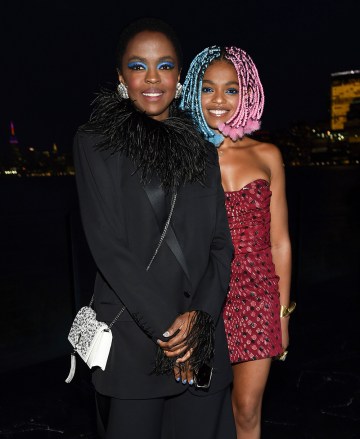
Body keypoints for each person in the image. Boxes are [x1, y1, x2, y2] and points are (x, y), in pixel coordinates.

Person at [73, 19, 237, 439]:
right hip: (134, 344)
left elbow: (220, 244)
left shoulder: (203, 149)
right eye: (137, 65)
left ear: (180, 78)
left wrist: (200, 319)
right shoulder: (95, 142)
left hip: (203, 341)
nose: (152, 78)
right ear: (121, 78)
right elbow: (108, 248)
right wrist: (172, 332)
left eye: (164, 66)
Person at [180, 46, 295, 439]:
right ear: (193, 91)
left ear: (247, 93)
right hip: (204, 295)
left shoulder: (267, 154)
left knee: (246, 409)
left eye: (231, 89)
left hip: (257, 295)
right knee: (203, 413)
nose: (219, 100)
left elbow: (279, 242)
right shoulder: (185, 156)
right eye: (208, 88)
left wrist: (283, 314)